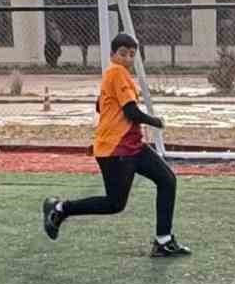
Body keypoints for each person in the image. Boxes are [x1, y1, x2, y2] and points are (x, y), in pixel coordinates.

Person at [41, 32, 190, 256]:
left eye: (131, 54)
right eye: (123, 54)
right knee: (115, 204)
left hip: (132, 146)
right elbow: (130, 111)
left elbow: (100, 107)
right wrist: (155, 122)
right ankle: (60, 209)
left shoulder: (112, 75)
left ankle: (163, 241)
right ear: (113, 54)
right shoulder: (117, 72)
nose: (127, 59)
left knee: (167, 180)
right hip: (115, 149)